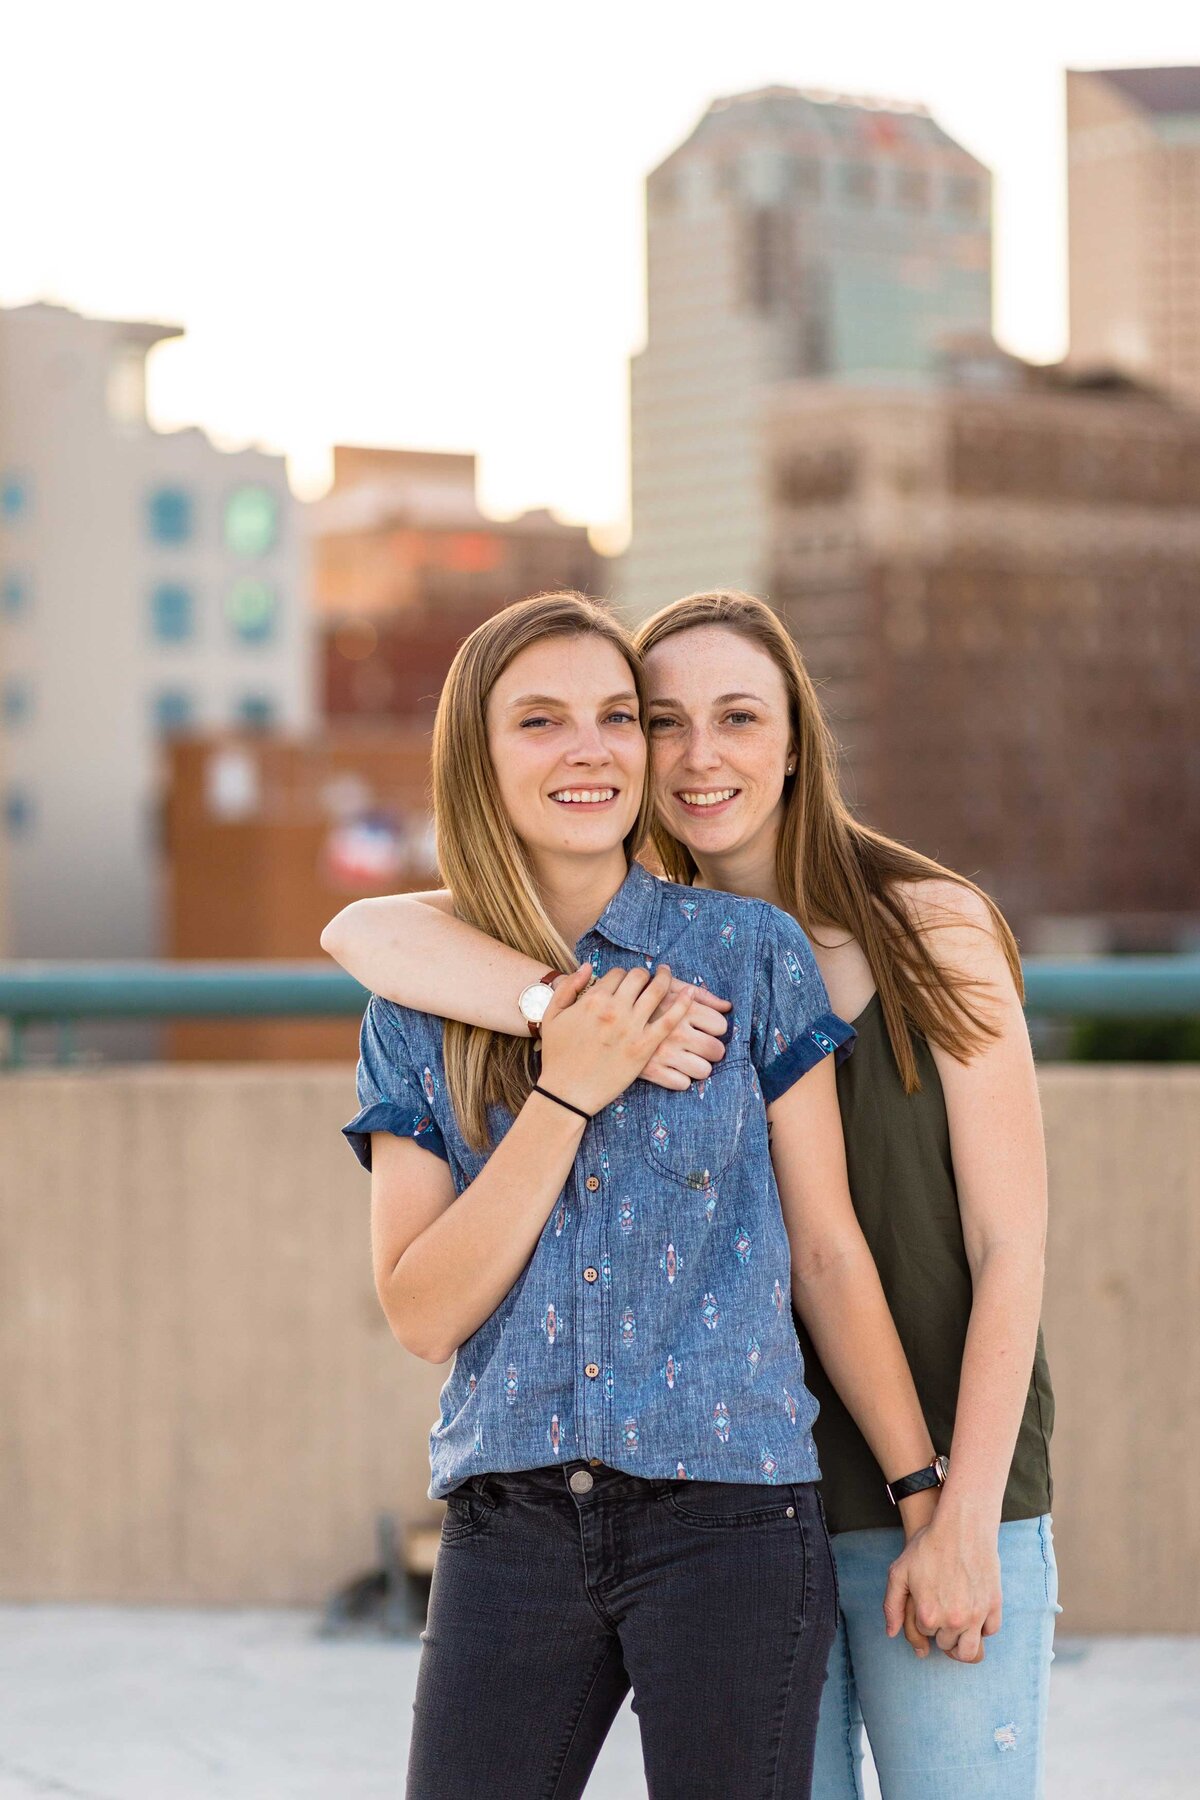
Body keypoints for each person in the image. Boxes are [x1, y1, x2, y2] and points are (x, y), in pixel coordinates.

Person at [325, 589, 1059, 1800]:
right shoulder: (466, 988)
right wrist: (566, 1042)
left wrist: (949, 1501)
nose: (689, 752)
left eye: (727, 716)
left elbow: (967, 1244)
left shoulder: (866, 939)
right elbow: (362, 931)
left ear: (794, 738)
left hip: (853, 1470)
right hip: (632, 1495)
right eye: (663, 719)